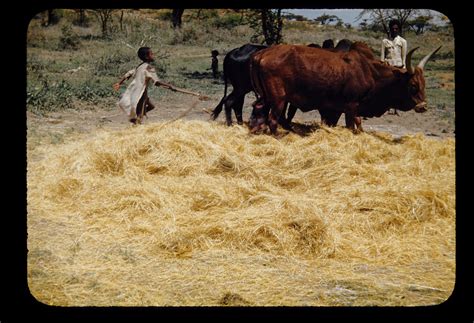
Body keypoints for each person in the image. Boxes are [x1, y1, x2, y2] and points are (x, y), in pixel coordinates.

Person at [113, 47, 177, 124]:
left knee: (151, 106)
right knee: (141, 111)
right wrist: (169, 86)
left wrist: (119, 83)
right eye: (152, 54)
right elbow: (157, 82)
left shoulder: (140, 66)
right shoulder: (148, 67)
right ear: (147, 57)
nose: (153, 55)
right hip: (141, 93)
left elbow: (129, 73)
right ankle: (137, 122)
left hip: (135, 91)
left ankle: (136, 118)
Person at [381, 19, 408, 115]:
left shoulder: (403, 41)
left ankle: (396, 109)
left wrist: (404, 67)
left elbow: (404, 56)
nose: (394, 30)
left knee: (398, 89)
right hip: (388, 68)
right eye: (393, 28)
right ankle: (387, 108)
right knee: (388, 89)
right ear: (390, 29)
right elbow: (382, 57)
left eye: (396, 28)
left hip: (399, 67)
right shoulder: (385, 41)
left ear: (399, 29)